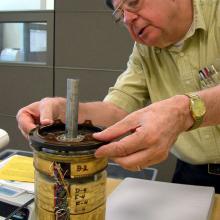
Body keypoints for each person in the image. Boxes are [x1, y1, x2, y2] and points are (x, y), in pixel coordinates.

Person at [17, 0, 220, 192]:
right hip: (191, 174)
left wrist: (184, 111)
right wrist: (64, 111)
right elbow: (117, 109)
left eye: (133, 2)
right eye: (120, 13)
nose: (127, 19)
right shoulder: (145, 50)